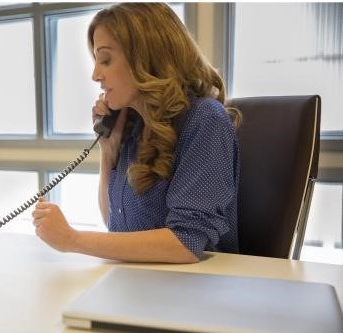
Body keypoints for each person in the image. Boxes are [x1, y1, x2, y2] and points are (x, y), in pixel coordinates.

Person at [32, 3, 241, 263]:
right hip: (142, 282)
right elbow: (116, 224)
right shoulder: (135, 125)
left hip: (192, 290)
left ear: (147, 57)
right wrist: (108, 153)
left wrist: (72, 239)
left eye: (106, 60)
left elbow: (185, 243)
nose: (96, 75)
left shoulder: (205, 120)